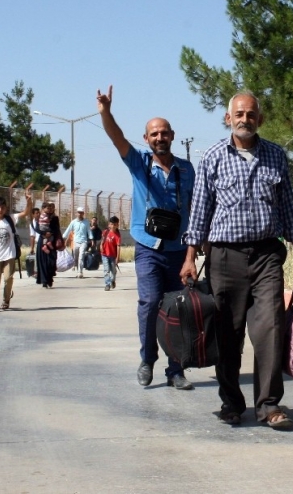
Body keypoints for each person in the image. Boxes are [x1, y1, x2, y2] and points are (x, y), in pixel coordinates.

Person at [180, 91, 293, 429]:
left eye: (251, 114)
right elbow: (200, 212)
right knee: (228, 333)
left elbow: (287, 209)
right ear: (228, 118)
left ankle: (269, 405)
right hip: (225, 256)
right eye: (239, 114)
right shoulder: (212, 157)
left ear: (260, 120)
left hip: (268, 255)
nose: (245, 120)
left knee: (269, 328)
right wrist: (190, 257)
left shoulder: (275, 156)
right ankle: (231, 403)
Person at [96, 84, 196, 390]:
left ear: (172, 136)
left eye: (164, 133)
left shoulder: (188, 169)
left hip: (179, 249)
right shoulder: (139, 163)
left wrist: (195, 249)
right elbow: (116, 138)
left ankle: (176, 369)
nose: (159, 138)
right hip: (148, 247)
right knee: (150, 302)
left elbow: (197, 208)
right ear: (146, 139)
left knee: (178, 308)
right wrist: (106, 112)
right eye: (154, 134)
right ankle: (147, 358)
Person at [0, 193, 32, 312]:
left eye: (2, 207)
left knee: (8, 278)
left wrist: (29, 202)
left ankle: (6, 300)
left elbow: (25, 213)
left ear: (6, 208)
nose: (0, 210)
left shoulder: (11, 219)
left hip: (9, 255)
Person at [35, 201, 61, 288]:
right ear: (43, 209)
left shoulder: (55, 218)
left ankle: (50, 278)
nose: (49, 209)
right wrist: (44, 233)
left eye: (51, 208)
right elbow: (36, 228)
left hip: (52, 242)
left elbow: (57, 229)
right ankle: (44, 281)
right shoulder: (40, 217)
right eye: (47, 208)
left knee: (51, 261)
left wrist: (53, 234)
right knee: (43, 262)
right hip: (42, 241)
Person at [63, 206, 91, 278]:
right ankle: (75, 265)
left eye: (81, 213)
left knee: (81, 256)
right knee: (76, 256)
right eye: (78, 213)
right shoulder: (73, 222)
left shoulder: (86, 222)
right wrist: (64, 237)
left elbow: (89, 231)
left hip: (84, 241)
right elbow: (68, 229)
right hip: (76, 242)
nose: (80, 214)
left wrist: (91, 238)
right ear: (76, 213)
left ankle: (80, 272)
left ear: (83, 213)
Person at [101, 216, 121, 291]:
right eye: (111, 224)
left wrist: (118, 257)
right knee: (106, 270)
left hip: (113, 256)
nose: (112, 226)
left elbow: (118, 247)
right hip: (104, 254)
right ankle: (107, 284)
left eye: (114, 224)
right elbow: (103, 240)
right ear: (109, 224)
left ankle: (112, 280)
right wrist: (100, 245)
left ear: (117, 225)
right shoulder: (106, 232)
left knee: (113, 271)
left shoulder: (117, 235)